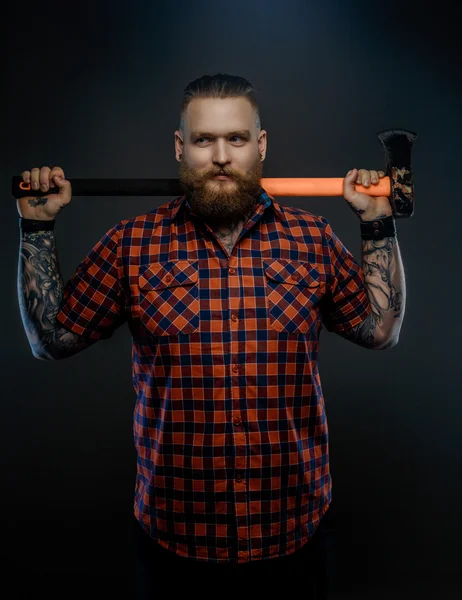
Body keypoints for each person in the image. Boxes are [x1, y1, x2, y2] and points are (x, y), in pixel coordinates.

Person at [16, 73, 406, 598]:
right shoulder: (131, 245)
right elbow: (50, 340)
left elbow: (380, 331)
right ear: (182, 147)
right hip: (173, 547)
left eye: (237, 139)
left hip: (295, 539)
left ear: (260, 145)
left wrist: (378, 225)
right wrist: (36, 230)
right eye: (204, 140)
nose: (221, 156)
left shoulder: (312, 240)